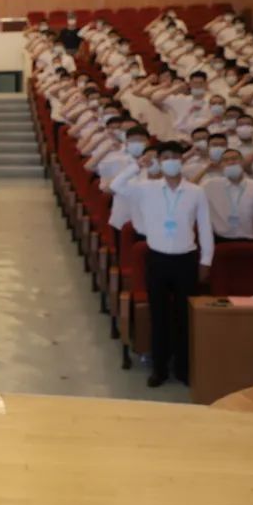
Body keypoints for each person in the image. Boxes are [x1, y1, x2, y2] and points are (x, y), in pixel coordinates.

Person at [110, 141, 213, 387]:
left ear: (182, 160)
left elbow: (205, 228)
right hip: (157, 258)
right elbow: (116, 185)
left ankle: (183, 369)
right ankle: (160, 369)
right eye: (165, 157)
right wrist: (137, 165)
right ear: (159, 161)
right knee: (159, 316)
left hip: (186, 259)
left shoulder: (196, 192)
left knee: (183, 316)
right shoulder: (146, 189)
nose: (171, 161)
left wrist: (206, 260)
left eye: (175, 156)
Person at [200, 149, 253, 242]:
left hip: (248, 238)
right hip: (220, 239)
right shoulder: (210, 185)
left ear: (242, 162)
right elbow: (187, 190)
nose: (231, 162)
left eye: (235, 159)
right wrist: (205, 170)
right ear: (220, 165)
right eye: (225, 160)